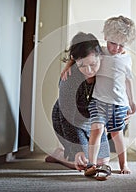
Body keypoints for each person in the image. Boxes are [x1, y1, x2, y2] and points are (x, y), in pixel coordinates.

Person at [45, 32, 111, 171]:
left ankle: (69, 153)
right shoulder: (68, 79)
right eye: (82, 65)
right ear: (75, 61)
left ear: (101, 57)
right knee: (84, 161)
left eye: (93, 64)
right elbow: (67, 117)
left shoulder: (107, 70)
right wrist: (77, 149)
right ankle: (59, 155)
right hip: (68, 120)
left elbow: (120, 54)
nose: (88, 70)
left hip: (92, 123)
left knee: (102, 160)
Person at [87, 15, 136, 175]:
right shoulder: (99, 52)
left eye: (121, 45)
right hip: (98, 100)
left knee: (117, 133)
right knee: (96, 129)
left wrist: (132, 101)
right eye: (112, 43)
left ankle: (124, 165)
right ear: (106, 37)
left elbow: (128, 81)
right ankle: (91, 165)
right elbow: (78, 57)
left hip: (119, 103)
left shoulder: (126, 59)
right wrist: (68, 67)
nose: (116, 48)